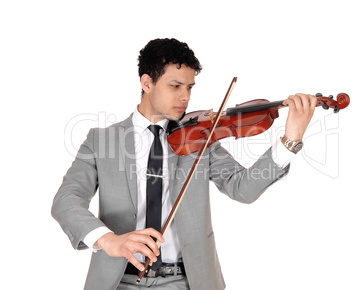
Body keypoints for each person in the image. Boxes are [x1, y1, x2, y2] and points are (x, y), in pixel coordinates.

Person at [52, 38, 317, 290]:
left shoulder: (199, 135)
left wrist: (290, 140)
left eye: (190, 87)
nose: (185, 97)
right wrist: (109, 241)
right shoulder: (102, 140)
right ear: (147, 82)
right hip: (118, 280)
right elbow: (66, 200)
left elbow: (242, 189)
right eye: (175, 86)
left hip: (188, 281)